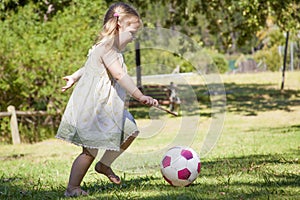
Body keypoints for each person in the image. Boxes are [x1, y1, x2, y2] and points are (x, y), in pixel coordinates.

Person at [56, 2, 158, 197]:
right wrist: (140, 95)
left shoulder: (107, 49)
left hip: (109, 107)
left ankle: (104, 165)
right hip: (96, 108)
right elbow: (119, 76)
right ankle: (72, 187)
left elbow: (89, 68)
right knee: (89, 151)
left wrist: (75, 77)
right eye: (132, 33)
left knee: (131, 131)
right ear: (119, 26)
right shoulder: (108, 48)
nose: (133, 38)